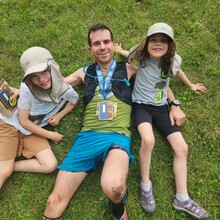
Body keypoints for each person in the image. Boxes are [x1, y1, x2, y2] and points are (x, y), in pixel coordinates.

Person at [43, 23, 186, 220]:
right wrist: (21, 90)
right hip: (86, 139)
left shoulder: (129, 68)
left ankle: (118, 211)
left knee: (115, 189)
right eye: (96, 43)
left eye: (106, 42)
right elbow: (55, 86)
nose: (102, 47)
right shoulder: (84, 72)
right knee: (53, 203)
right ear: (90, 49)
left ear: (112, 44)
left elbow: (159, 84)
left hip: (116, 138)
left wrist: (174, 104)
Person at [114, 22, 210, 219]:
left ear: (170, 45)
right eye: (154, 40)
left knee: (182, 148)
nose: (158, 44)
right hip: (141, 106)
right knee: (148, 141)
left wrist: (189, 85)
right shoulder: (140, 55)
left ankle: (182, 198)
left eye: (163, 41)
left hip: (161, 108)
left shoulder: (172, 61)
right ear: (147, 42)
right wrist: (119, 50)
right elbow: (128, 56)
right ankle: (145, 186)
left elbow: (176, 73)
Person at [0, 47, 79, 190]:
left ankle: (10, 165)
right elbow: (23, 121)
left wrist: (59, 115)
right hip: (10, 124)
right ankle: (6, 166)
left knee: (49, 165)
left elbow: (74, 101)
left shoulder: (65, 89)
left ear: (52, 68)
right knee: (3, 172)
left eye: (44, 71)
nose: (41, 79)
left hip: (31, 131)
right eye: (34, 76)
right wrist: (50, 135)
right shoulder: (26, 88)